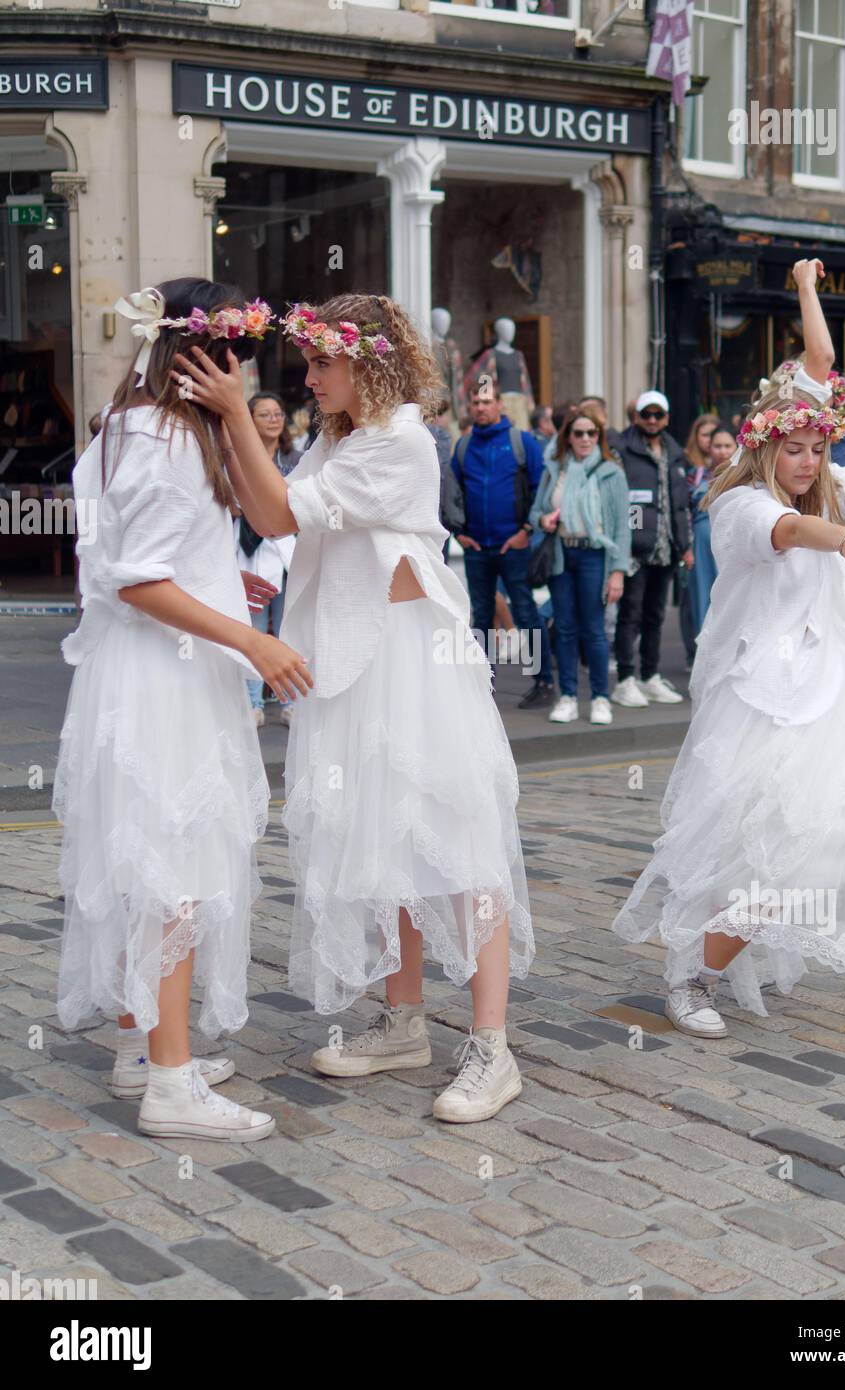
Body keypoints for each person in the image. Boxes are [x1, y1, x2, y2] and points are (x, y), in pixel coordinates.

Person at [174, 292, 535, 1124]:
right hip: (352, 663)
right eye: (305, 363)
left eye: (320, 362)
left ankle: (491, 1046)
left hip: (412, 663)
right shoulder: (340, 439)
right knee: (377, 840)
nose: (308, 379)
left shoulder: (402, 442)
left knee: (457, 840)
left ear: (366, 361)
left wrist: (233, 411)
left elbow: (274, 511)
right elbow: (275, 514)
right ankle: (401, 1020)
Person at [612, 257, 845, 1037]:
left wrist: (807, 290)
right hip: (763, 699)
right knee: (772, 861)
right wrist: (843, 533)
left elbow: (820, 366)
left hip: (837, 688)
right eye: (796, 449)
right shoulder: (739, 505)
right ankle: (692, 979)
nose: (809, 460)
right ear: (764, 449)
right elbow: (792, 532)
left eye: (818, 447)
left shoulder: (830, 482)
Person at [55, 279, 311, 1141]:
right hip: (166, 679)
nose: (244, 368)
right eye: (234, 351)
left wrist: (214, 580)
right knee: (176, 875)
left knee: (152, 866)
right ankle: (170, 1084)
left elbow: (156, 556)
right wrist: (252, 640)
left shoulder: (129, 425)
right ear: (201, 354)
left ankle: (141, 1045)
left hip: (144, 671)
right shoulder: (166, 440)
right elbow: (140, 579)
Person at [449, 378, 554, 709]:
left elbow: (542, 489)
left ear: (499, 406)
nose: (480, 408)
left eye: (486, 402)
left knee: (525, 612)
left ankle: (543, 682)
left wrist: (526, 530)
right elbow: (451, 492)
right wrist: (458, 532)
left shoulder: (523, 442)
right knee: (480, 617)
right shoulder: (464, 446)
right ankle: (484, 682)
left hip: (515, 545)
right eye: (475, 403)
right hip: (477, 547)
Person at [528, 406, 630, 725]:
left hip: (594, 555)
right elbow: (534, 514)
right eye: (578, 433)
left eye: (591, 433)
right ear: (567, 437)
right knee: (566, 628)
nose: (584, 439)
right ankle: (568, 696)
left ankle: (600, 697)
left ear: (598, 437)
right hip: (561, 553)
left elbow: (621, 527)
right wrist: (543, 519)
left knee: (594, 629)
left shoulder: (611, 472)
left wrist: (618, 571)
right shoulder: (554, 469)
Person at [611, 389, 692, 709]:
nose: (653, 420)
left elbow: (680, 505)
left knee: (655, 615)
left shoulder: (674, 452)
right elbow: (621, 499)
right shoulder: (623, 448)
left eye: (658, 415)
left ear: (667, 418)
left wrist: (684, 545)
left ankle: (649, 675)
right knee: (630, 614)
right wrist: (625, 542)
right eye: (647, 414)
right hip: (635, 548)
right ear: (637, 417)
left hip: (666, 548)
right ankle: (625, 679)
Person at [237, 392, 301, 727]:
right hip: (252, 551)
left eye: (278, 413)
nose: (274, 419)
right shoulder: (238, 455)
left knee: (289, 629)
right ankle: (252, 702)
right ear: (249, 419)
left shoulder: (296, 457)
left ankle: (290, 701)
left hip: (290, 553)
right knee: (255, 631)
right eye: (265, 414)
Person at [687, 422, 737, 637]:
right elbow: (683, 512)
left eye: (728, 445)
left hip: (733, 542)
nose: (723, 450)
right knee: (702, 597)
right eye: (717, 445)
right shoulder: (696, 475)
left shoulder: (746, 476)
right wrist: (685, 547)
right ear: (709, 447)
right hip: (702, 544)